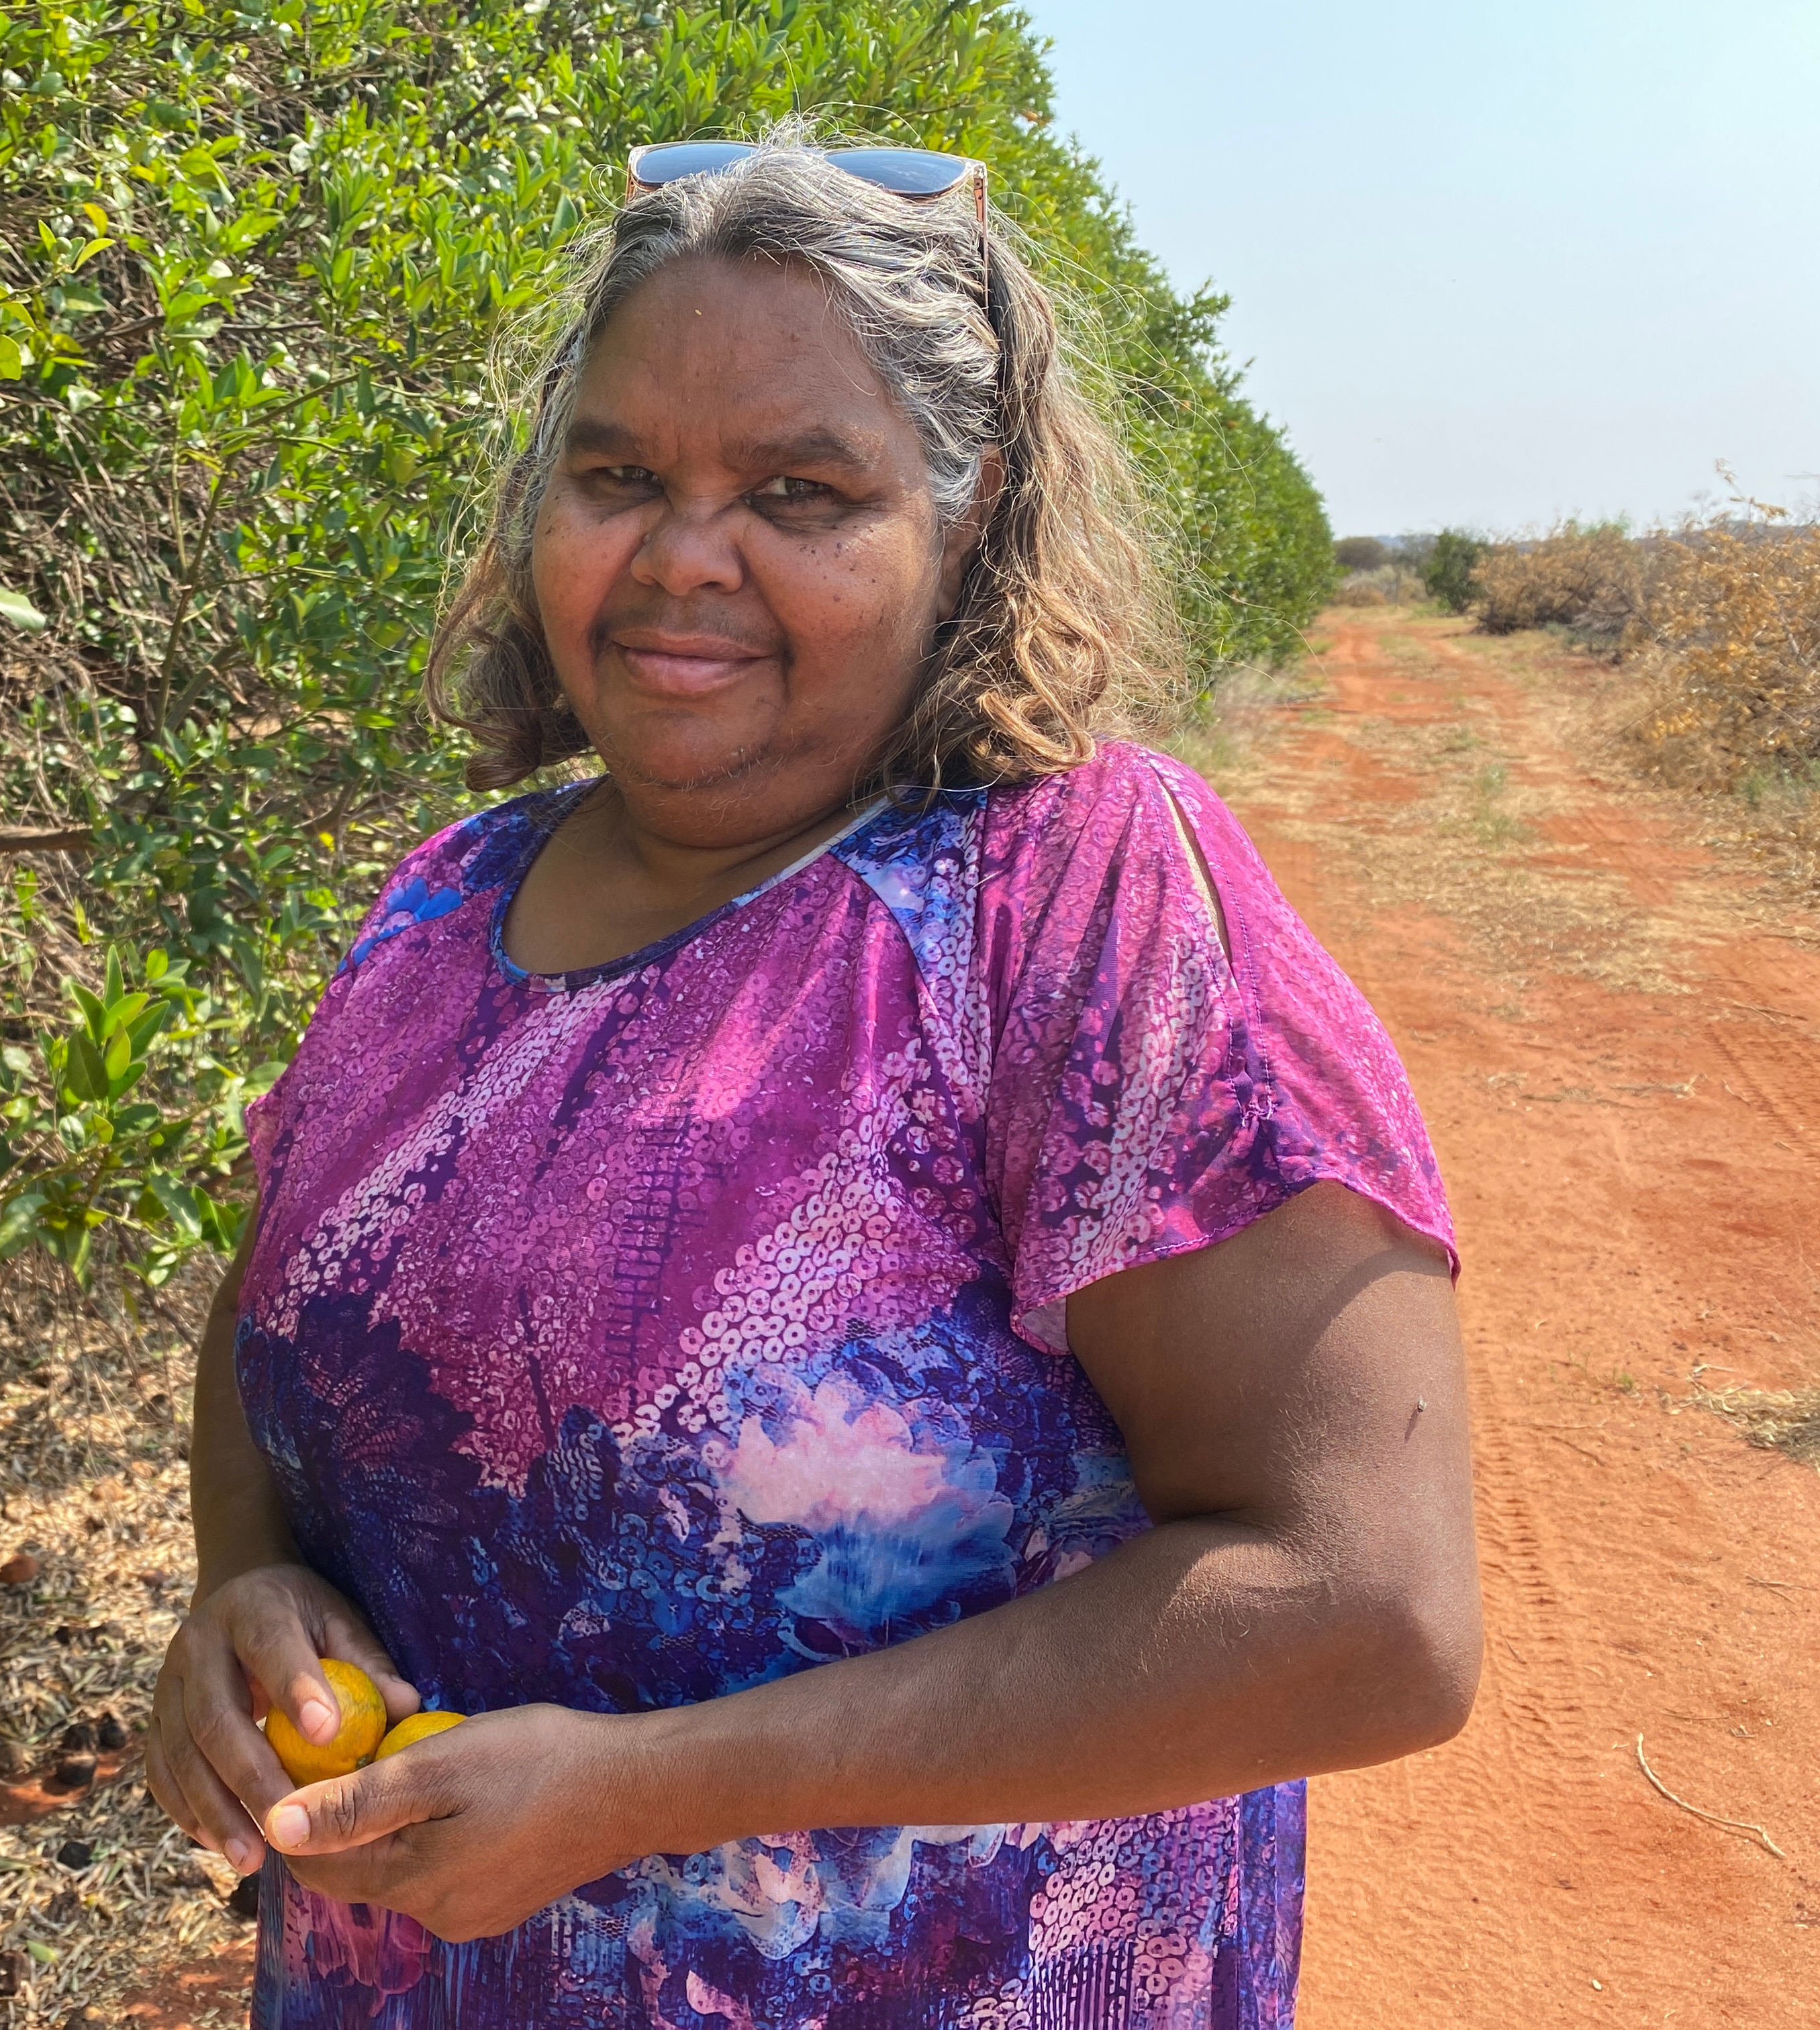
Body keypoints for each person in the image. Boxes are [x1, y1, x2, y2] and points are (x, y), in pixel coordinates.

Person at [146, 132, 1478, 2030]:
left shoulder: (1072, 900)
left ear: (967, 507)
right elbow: (272, 1316)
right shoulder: (449, 898)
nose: (687, 557)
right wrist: (243, 1590)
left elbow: (1367, 1616)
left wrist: (639, 1798)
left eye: (801, 489)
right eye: (618, 476)